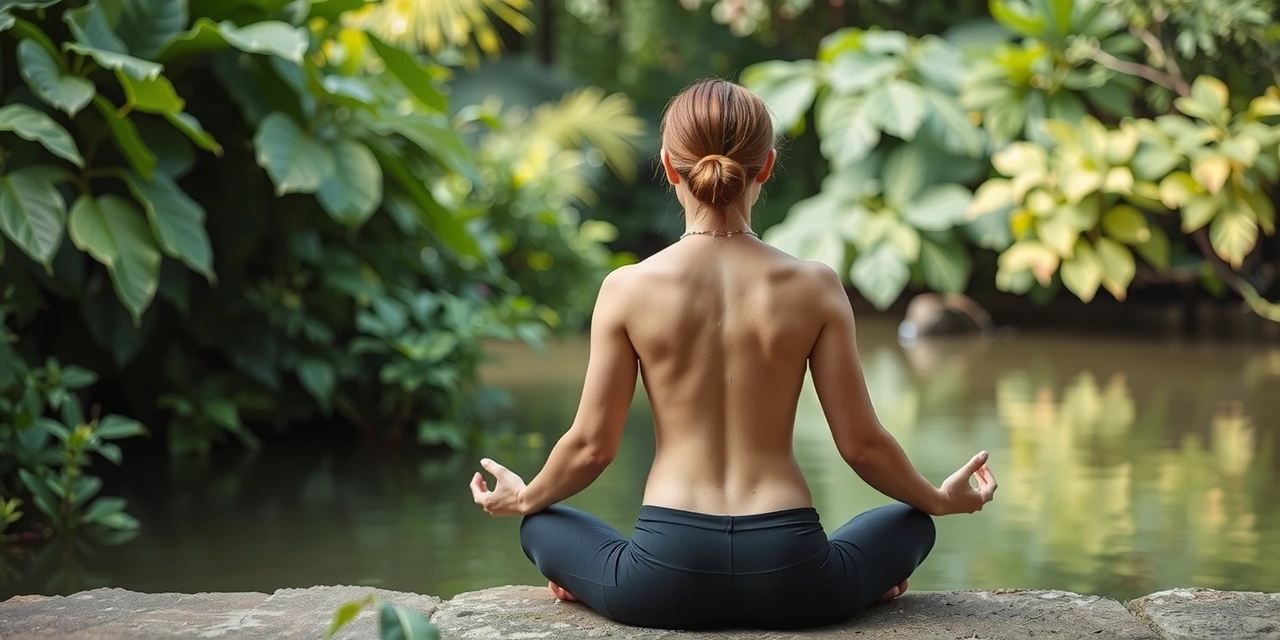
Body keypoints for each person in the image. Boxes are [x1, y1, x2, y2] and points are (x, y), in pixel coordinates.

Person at [468, 77, 998, 631]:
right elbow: (861, 444)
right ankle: (856, 584)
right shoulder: (814, 286)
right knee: (911, 525)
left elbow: (591, 448)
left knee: (541, 525)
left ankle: (588, 575)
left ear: (671, 168)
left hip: (663, 580)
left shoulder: (627, 288)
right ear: (766, 167)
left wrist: (525, 498)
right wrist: (936, 499)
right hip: (795, 577)